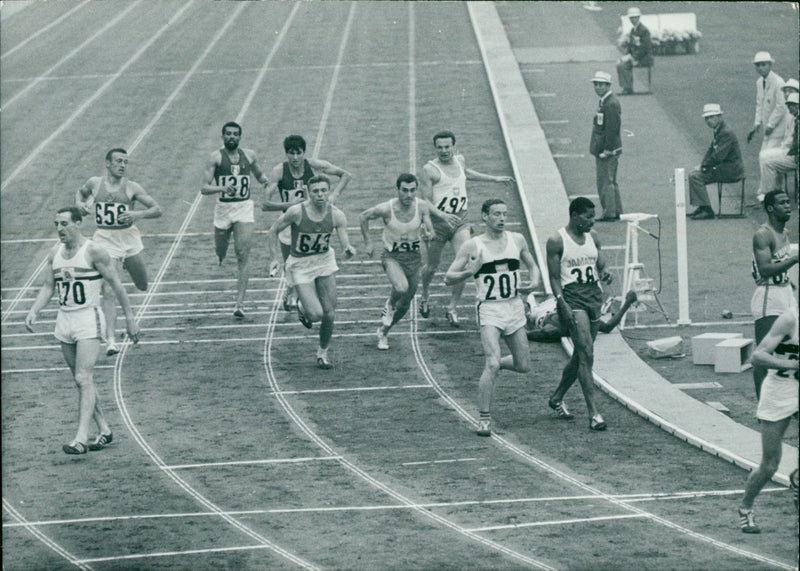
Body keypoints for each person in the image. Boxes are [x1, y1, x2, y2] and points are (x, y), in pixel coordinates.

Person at [25, 207, 140, 454]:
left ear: (78, 223)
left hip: (88, 319)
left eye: (65, 223)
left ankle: (80, 438)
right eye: (57, 224)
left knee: (82, 377)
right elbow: (49, 285)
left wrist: (130, 318)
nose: (60, 229)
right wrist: (35, 310)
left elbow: (116, 285)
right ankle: (105, 429)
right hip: (64, 321)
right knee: (81, 382)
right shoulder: (54, 252)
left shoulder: (94, 251)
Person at [444, 199, 540, 436]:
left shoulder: (517, 239)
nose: (501, 218)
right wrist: (470, 271)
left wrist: (534, 281)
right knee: (492, 362)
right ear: (485, 217)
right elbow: (448, 277)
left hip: (514, 308)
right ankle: (484, 418)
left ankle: (496, 365)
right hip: (489, 309)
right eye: (496, 214)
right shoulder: (472, 246)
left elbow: (532, 264)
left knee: (523, 365)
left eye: (504, 214)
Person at [418, 130, 514, 327]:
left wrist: (494, 179)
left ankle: (452, 307)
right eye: (440, 148)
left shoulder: (460, 160)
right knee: (432, 267)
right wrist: (443, 215)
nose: (444, 151)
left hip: (460, 221)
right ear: (435, 148)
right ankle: (425, 294)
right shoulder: (429, 170)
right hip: (438, 223)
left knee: (463, 264)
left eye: (447, 147)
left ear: (454, 146)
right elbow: (425, 201)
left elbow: (466, 174)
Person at [76, 148, 161, 356]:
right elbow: (80, 193)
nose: (123, 165)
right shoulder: (95, 183)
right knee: (108, 289)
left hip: (129, 239)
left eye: (125, 162)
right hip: (105, 239)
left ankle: (127, 267)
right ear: (107, 163)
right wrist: (79, 204)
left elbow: (157, 209)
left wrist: (137, 214)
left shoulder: (131, 187)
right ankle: (111, 340)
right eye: (118, 161)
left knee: (142, 284)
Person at [266, 175, 356, 369]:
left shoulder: (337, 215)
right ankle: (301, 305)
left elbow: (344, 241)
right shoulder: (296, 212)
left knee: (330, 314)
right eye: (315, 191)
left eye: (324, 191)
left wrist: (348, 249)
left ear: (329, 192)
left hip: (324, 261)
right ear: (309, 193)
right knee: (316, 315)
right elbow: (273, 231)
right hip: (301, 264)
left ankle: (322, 353)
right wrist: (275, 258)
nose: (320, 195)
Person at [262, 135, 352, 311]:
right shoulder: (279, 171)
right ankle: (292, 289)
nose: (295, 158)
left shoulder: (315, 166)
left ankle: (305, 299)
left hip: (312, 222)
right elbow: (265, 204)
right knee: (292, 263)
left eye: (299, 153)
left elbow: (346, 175)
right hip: (290, 223)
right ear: (286, 153)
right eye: (291, 154)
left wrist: (335, 195)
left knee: (313, 260)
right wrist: (292, 206)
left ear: (304, 152)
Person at [546, 197, 613, 431]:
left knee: (581, 355)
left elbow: (601, 264)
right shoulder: (556, 241)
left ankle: (556, 397)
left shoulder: (593, 237)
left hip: (593, 295)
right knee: (586, 353)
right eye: (588, 217)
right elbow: (554, 277)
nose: (592, 221)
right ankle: (594, 413)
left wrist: (606, 273)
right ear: (574, 216)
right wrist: (560, 301)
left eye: (593, 217)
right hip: (572, 298)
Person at [359, 173, 439, 350]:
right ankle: (389, 304)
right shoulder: (386, 209)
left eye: (412, 191)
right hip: (392, 257)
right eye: (404, 190)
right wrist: (368, 242)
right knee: (400, 288)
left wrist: (428, 235)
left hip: (414, 259)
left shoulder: (422, 207)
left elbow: (431, 232)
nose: (408, 195)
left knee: (405, 304)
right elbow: (363, 216)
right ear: (398, 190)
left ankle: (384, 332)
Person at [737, 308, 798, 534]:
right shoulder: (789, 320)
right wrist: (793, 365)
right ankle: (746, 507)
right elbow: (757, 356)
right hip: (780, 391)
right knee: (770, 463)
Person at [201, 121, 270, 319]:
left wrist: (265, 182)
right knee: (221, 250)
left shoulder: (249, 155)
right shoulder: (215, 158)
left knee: (243, 254)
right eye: (228, 134)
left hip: (243, 208)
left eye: (235, 134)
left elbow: (258, 174)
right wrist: (221, 188)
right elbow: (204, 188)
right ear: (223, 137)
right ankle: (220, 255)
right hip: (223, 209)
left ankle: (240, 303)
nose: (232, 137)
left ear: (240, 137)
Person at [750, 189, 799, 399]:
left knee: (791, 344)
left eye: (789, 202)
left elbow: (780, 266)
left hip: (784, 292)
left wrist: (790, 284)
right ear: (770, 208)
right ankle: (762, 403)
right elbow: (765, 270)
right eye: (782, 203)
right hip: (768, 297)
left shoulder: (784, 232)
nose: (788, 206)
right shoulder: (763, 234)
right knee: (764, 351)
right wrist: (795, 260)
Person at [686, 104, 745, 220]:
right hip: (726, 167)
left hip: (731, 170)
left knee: (695, 177)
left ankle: (707, 210)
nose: (708, 121)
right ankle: (703, 206)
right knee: (694, 174)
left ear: (719, 116)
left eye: (711, 117)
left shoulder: (725, 132)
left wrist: (703, 166)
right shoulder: (719, 129)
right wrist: (702, 165)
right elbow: (711, 150)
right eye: (706, 118)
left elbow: (718, 157)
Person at [527, 289, 638, 343]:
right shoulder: (581, 320)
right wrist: (627, 303)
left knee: (532, 308)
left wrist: (628, 303)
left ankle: (532, 301)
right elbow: (608, 327)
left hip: (543, 312)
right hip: (550, 311)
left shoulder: (579, 320)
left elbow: (607, 327)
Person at [589, 71, 623, 221]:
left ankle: (609, 212)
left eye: (601, 84)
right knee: (610, 180)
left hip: (607, 149)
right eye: (595, 84)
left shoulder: (610, 104)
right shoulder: (605, 101)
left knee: (605, 181)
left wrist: (607, 150)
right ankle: (615, 210)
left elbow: (612, 129)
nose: (597, 87)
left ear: (608, 85)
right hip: (605, 148)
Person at [748, 52, 787, 161]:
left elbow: (781, 106)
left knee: (767, 159)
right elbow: (759, 104)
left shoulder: (779, 82)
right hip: (768, 129)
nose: (760, 68)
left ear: (770, 65)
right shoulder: (759, 82)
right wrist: (757, 123)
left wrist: (771, 124)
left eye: (763, 64)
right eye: (758, 65)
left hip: (779, 129)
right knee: (766, 159)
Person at [758, 92, 798, 195]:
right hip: (793, 154)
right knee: (766, 158)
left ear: (797, 105)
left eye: (791, 106)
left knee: (768, 164)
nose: (789, 109)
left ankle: (769, 195)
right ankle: (776, 191)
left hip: (796, 158)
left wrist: (789, 152)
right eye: (788, 106)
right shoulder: (796, 118)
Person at [616, 7, 653, 95]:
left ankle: (628, 88)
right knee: (620, 63)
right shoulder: (633, 30)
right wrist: (626, 56)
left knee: (623, 65)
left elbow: (644, 48)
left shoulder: (644, 30)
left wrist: (633, 58)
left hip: (644, 58)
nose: (633, 20)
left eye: (635, 17)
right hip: (636, 56)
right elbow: (631, 46)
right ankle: (626, 87)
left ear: (638, 17)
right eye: (631, 18)